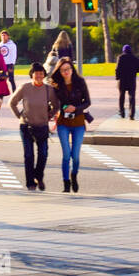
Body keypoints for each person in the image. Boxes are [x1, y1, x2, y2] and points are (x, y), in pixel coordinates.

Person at [10, 62, 58, 191]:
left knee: (43, 154)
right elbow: (12, 102)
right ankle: (30, 182)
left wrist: (50, 115)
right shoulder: (25, 88)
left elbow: (56, 105)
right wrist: (19, 116)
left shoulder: (49, 90)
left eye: (41, 74)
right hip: (26, 126)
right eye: (36, 74)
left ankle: (39, 176)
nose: (39, 76)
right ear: (32, 75)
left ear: (44, 75)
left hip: (42, 126)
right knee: (29, 155)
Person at [49, 57, 90, 193]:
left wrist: (76, 108)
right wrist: (62, 108)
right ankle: (66, 183)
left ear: (72, 69)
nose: (65, 72)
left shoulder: (80, 82)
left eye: (67, 69)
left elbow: (87, 102)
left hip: (78, 122)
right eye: (62, 70)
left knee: (76, 155)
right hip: (63, 123)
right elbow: (54, 104)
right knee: (66, 154)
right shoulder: (57, 85)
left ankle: (74, 175)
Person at [114, 44, 139, 119]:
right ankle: (131, 114)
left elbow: (117, 69)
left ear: (123, 50)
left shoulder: (120, 57)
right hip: (132, 80)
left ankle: (122, 112)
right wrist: (133, 70)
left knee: (121, 96)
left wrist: (117, 77)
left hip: (122, 81)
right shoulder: (135, 58)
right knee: (132, 97)